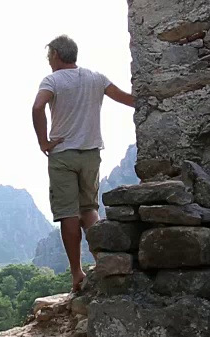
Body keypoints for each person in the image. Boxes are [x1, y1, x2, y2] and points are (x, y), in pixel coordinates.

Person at [32, 35, 135, 292]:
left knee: (68, 213)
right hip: (90, 154)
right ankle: (103, 261)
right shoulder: (96, 78)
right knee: (89, 208)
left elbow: (37, 107)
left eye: (49, 56)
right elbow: (127, 98)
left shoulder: (52, 81)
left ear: (56, 54)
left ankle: (77, 273)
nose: (48, 62)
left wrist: (43, 142)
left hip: (63, 155)